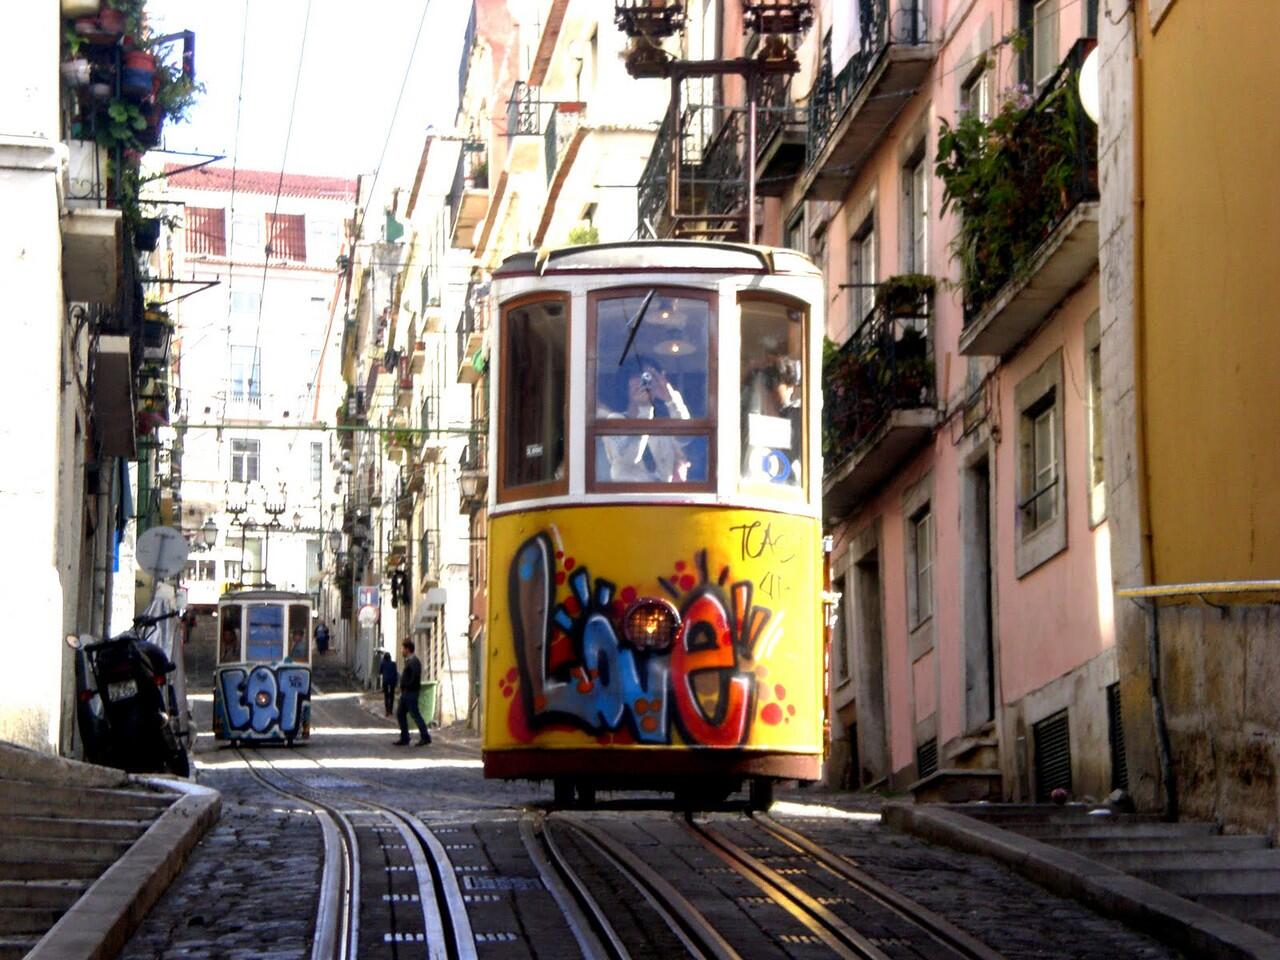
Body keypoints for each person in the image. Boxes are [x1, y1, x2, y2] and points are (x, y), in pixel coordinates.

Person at [598, 363, 691, 483]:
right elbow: (628, 458)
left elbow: (686, 437)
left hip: (662, 498)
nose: (642, 382)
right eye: (636, 376)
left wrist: (670, 399)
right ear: (625, 385)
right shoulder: (615, 420)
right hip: (628, 498)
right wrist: (645, 409)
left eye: (648, 377)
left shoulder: (662, 427)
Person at [393, 639, 431, 746]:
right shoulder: (410, 661)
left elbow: (414, 677)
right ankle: (405, 737)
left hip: (410, 693)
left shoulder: (414, 662)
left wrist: (407, 686)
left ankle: (425, 737)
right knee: (400, 713)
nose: (401, 651)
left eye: (403, 649)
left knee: (415, 715)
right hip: (406, 693)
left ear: (407, 649)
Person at [379, 651, 398, 717]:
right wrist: (396, 682)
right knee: (392, 696)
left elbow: (380, 672)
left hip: (385, 681)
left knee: (386, 696)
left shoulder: (383, 663)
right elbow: (396, 673)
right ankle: (391, 711)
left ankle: (387, 711)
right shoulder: (393, 664)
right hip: (392, 681)